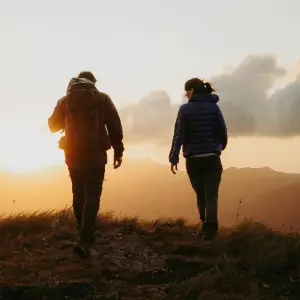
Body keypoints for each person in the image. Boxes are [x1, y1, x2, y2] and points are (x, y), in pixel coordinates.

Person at [48, 71, 124, 257]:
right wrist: (118, 151)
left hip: (72, 155)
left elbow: (52, 126)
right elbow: (114, 126)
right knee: (92, 195)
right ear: (93, 82)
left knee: (78, 192)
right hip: (96, 155)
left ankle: (81, 233)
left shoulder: (65, 100)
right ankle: (84, 237)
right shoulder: (102, 99)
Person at [169, 78, 227, 241]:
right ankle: (211, 229)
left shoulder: (185, 110)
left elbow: (178, 135)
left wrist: (174, 157)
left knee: (200, 194)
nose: (185, 95)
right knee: (212, 195)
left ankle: (204, 224)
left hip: (193, 159)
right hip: (212, 158)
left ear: (192, 91)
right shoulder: (214, 108)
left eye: (186, 91)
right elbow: (222, 132)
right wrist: (218, 148)